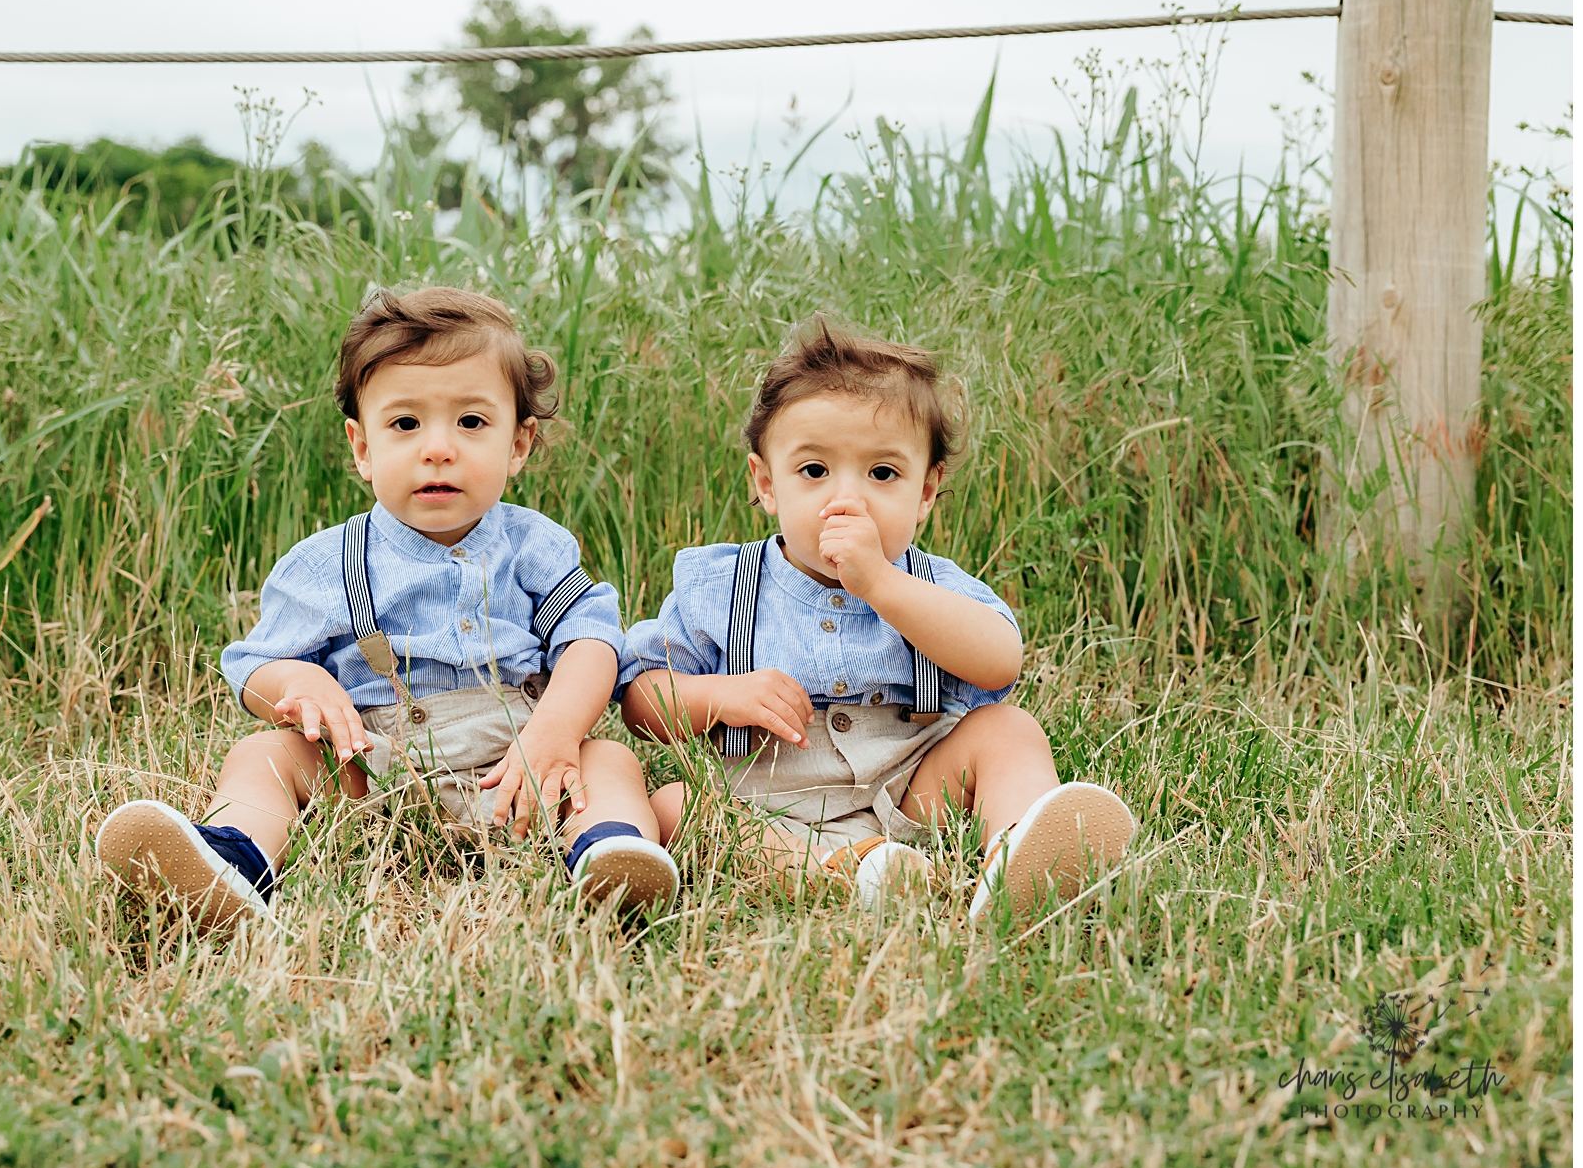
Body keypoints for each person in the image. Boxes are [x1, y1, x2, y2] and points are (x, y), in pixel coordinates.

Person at [98, 286, 677, 927]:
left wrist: (555, 732)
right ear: (363, 447)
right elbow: (254, 667)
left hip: (516, 770)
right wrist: (302, 682)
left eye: (472, 422)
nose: (438, 448)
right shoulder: (330, 562)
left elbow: (591, 643)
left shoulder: (533, 547)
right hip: (372, 776)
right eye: (406, 424)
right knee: (264, 755)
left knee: (608, 760)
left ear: (519, 442)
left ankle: (607, 856)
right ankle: (234, 858)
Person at [618, 316, 1134, 919]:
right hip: (766, 798)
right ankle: (845, 874)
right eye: (814, 471)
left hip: (912, 788)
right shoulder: (722, 585)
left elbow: (999, 663)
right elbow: (641, 703)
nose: (848, 500)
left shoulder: (930, 583)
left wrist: (884, 584)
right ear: (766, 484)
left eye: (882, 473)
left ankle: (1019, 852)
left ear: (925, 493)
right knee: (676, 807)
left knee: (1008, 730)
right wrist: (720, 696)